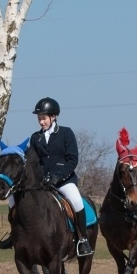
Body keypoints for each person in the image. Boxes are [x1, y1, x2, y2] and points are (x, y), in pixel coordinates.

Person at [6, 97, 93, 256]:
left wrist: (57, 177)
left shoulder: (66, 133)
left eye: (44, 118)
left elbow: (72, 159)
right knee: (13, 199)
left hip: (64, 181)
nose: (41, 122)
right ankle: (14, 235)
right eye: (39, 119)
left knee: (76, 200)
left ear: (53, 117)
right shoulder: (35, 137)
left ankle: (83, 239)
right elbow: (33, 162)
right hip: (42, 183)